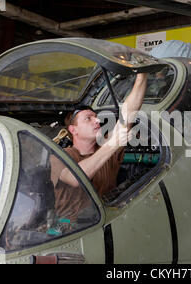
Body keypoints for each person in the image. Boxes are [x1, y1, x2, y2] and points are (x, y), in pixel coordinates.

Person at [49, 73, 148, 224]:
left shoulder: (106, 147)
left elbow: (128, 115)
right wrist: (113, 144)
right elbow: (75, 178)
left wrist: (142, 76)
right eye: (88, 118)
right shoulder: (60, 156)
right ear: (73, 130)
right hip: (72, 230)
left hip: (108, 224)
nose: (97, 120)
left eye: (96, 116)